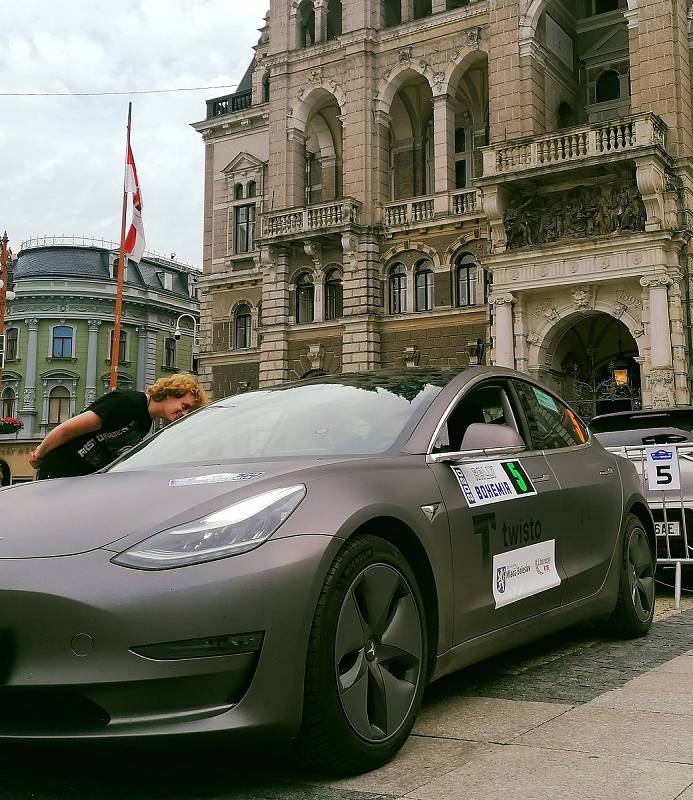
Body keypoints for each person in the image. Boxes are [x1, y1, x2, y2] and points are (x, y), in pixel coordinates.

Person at [29, 373, 207, 479]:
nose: (184, 414)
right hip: (58, 473)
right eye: (184, 406)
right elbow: (68, 428)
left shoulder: (145, 423)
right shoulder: (127, 401)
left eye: (188, 412)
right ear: (170, 393)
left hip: (80, 481)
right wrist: (39, 454)